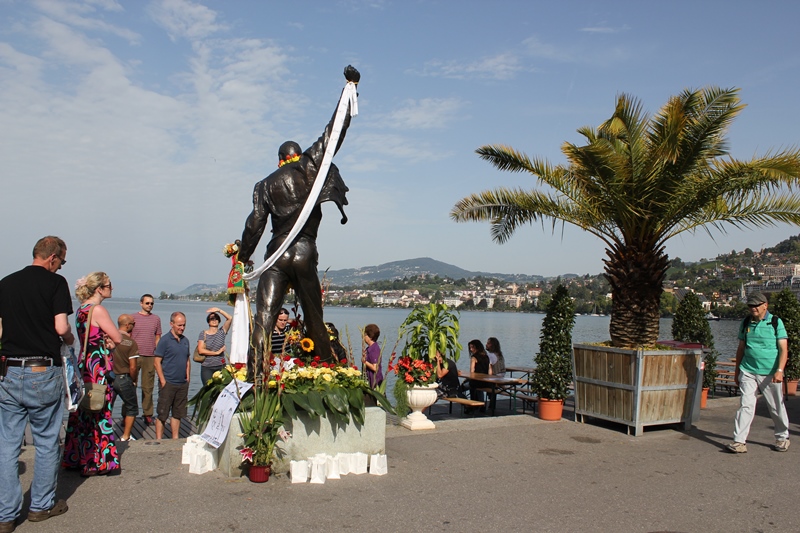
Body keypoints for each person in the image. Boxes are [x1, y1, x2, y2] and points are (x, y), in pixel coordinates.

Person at [238, 65, 359, 369]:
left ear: (279, 159)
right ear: (296, 155)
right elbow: (334, 132)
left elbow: (254, 225)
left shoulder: (264, 185)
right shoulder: (310, 167)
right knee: (314, 316)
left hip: (275, 254)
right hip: (304, 252)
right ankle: (328, 369)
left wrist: (242, 258)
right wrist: (350, 90)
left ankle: (255, 374)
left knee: (265, 316)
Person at [0, 236, 73, 530]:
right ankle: (41, 506)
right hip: (42, 369)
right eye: (62, 261)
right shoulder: (56, 283)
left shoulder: (6, 283)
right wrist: (69, 339)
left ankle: (6, 514)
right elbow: (61, 326)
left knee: (7, 444)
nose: (61, 266)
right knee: (45, 440)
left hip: (9, 369)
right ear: (52, 257)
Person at [63, 272, 123, 476]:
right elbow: (118, 337)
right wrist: (111, 340)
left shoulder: (82, 309)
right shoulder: (98, 310)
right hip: (98, 367)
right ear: (99, 289)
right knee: (100, 410)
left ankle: (77, 456)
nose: (112, 288)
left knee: (83, 413)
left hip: (85, 363)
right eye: (109, 285)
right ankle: (97, 461)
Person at [727, 292, 791, 453]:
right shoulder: (746, 322)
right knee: (746, 405)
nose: (753, 308)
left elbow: (783, 349)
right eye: (750, 305)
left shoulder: (776, 322)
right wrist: (737, 371)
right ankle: (739, 441)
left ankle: (782, 437)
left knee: (775, 406)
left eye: (756, 305)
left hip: (770, 371)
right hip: (748, 370)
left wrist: (779, 370)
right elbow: (741, 348)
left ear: (765, 305)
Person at [154, 312, 190, 440]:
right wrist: (163, 380)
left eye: (184, 325)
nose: (182, 328)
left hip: (182, 383)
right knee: (162, 413)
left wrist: (188, 377)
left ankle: (175, 439)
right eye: (179, 325)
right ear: (171, 324)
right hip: (168, 382)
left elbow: (187, 360)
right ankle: (159, 440)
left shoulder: (185, 341)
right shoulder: (164, 340)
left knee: (177, 414)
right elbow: (157, 362)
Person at [130, 294, 161, 426]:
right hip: (134, 356)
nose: (149, 305)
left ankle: (148, 414)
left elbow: (158, 337)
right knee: (130, 385)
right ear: (141, 303)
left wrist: (157, 353)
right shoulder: (132, 318)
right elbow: (128, 336)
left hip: (150, 356)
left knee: (148, 387)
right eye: (147, 303)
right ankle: (128, 414)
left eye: (151, 303)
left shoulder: (156, 319)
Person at [112, 314, 140, 442]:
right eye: (133, 324)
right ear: (127, 325)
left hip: (110, 378)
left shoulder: (109, 338)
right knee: (131, 407)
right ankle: (126, 436)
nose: (134, 326)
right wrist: (133, 380)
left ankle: (103, 433)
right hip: (124, 378)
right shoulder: (131, 343)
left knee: (107, 407)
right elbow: (133, 367)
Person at [197, 307, 232, 385]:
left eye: (216, 318)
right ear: (208, 321)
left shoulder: (222, 332)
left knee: (221, 389)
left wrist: (219, 310)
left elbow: (230, 318)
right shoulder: (203, 334)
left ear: (219, 321)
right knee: (207, 388)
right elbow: (201, 350)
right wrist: (216, 353)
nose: (214, 320)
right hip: (207, 367)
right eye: (212, 318)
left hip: (220, 366)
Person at [466, 339, 492, 413]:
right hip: (485, 382)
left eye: (472, 347)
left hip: (476, 382)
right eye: (470, 348)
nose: (471, 349)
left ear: (477, 347)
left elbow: (472, 372)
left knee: (461, 389)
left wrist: (467, 378)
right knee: (479, 389)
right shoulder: (486, 357)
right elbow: (490, 370)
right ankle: (481, 405)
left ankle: (468, 405)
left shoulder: (474, 358)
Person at [485, 336, 506, 411]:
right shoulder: (499, 354)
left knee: (479, 384)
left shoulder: (491, 355)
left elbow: (490, 369)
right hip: (502, 375)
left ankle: (482, 404)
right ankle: (491, 403)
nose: (486, 344)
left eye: (488, 343)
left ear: (492, 345)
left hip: (495, 376)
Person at [361, 323, 383, 388]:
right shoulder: (369, 349)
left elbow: (375, 368)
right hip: (369, 380)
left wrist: (364, 362)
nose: (363, 337)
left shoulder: (374, 349)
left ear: (370, 337)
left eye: (365, 335)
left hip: (375, 382)